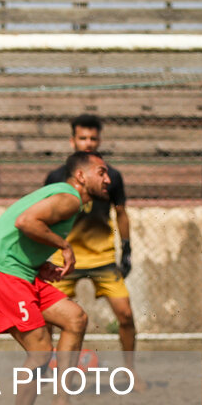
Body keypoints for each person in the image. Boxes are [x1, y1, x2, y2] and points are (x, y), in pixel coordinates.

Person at [0, 151, 111, 405]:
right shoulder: (70, 197)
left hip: (21, 271)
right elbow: (26, 222)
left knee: (75, 318)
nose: (108, 179)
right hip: (2, 273)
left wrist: (40, 263)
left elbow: (23, 232)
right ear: (81, 176)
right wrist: (64, 246)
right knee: (40, 351)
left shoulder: (66, 198)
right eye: (101, 172)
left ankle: (60, 404)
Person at [44, 114, 143, 389]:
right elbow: (45, 217)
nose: (88, 143)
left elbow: (121, 214)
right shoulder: (55, 177)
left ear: (100, 140)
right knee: (50, 319)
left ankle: (130, 372)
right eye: (82, 138)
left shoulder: (111, 176)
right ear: (72, 140)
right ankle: (47, 370)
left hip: (102, 258)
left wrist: (127, 249)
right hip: (64, 260)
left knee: (125, 315)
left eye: (93, 138)